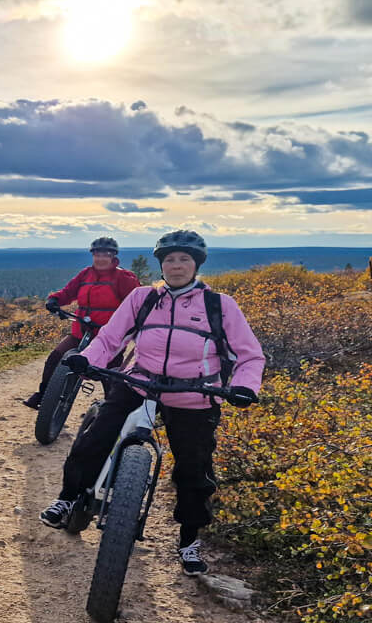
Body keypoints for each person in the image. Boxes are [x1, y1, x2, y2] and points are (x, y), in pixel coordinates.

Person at [39, 230, 265, 575]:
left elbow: (250, 356)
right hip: (140, 381)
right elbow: (112, 339)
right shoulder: (143, 298)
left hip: (194, 393)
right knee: (96, 436)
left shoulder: (220, 306)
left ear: (196, 265)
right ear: (161, 265)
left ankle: (189, 540)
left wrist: (245, 387)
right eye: (169, 259)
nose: (176, 266)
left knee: (195, 469)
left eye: (184, 259)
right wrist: (87, 359)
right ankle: (69, 496)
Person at [23, 237, 139, 409]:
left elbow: (136, 304)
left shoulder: (124, 278)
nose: (101, 258)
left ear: (113, 256)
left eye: (105, 254)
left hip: (110, 336)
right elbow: (68, 292)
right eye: (97, 254)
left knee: (110, 372)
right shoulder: (86, 274)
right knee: (56, 357)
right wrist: (54, 300)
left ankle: (110, 408)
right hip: (81, 330)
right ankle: (43, 395)